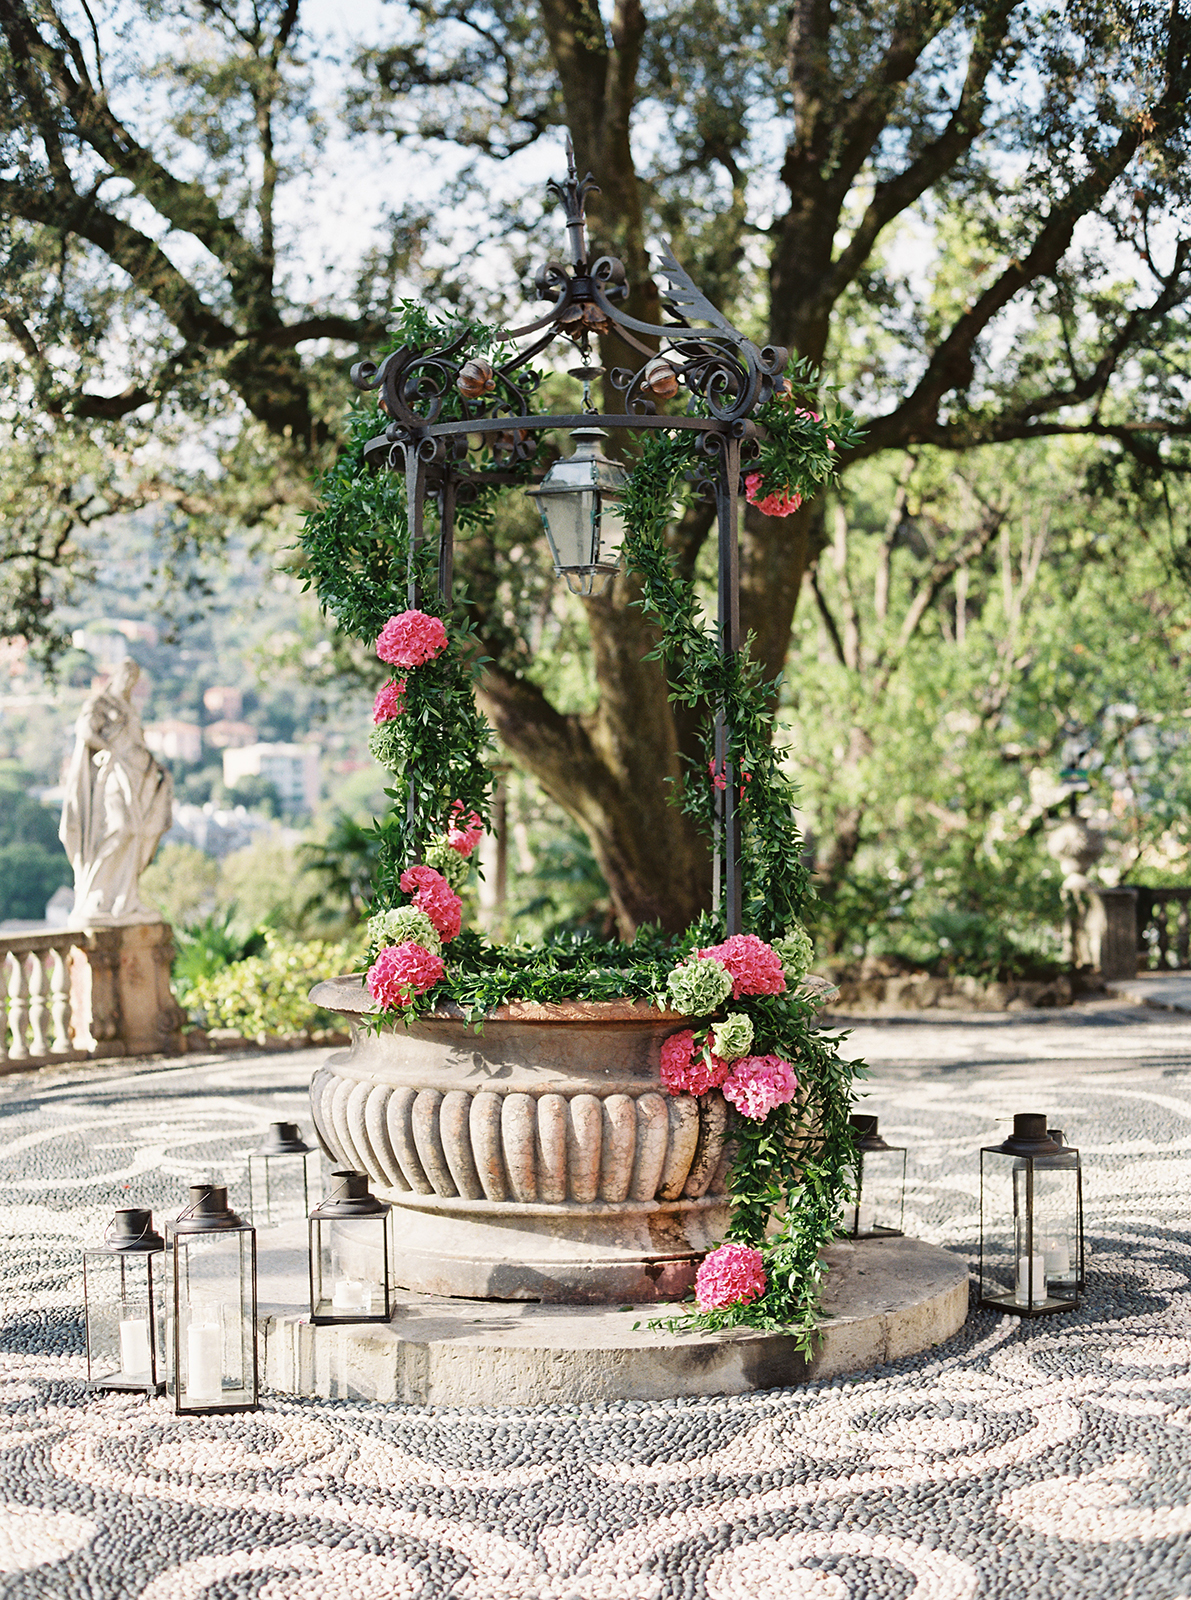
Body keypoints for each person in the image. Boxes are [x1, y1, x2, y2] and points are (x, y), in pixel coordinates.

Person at [60, 660, 173, 925]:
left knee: (137, 832)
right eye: (127, 675)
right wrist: (109, 750)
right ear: (117, 676)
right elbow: (85, 731)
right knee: (120, 829)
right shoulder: (101, 703)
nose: (130, 681)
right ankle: (96, 892)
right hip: (112, 775)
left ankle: (125, 898)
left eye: (135, 677)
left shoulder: (130, 708)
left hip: (138, 778)